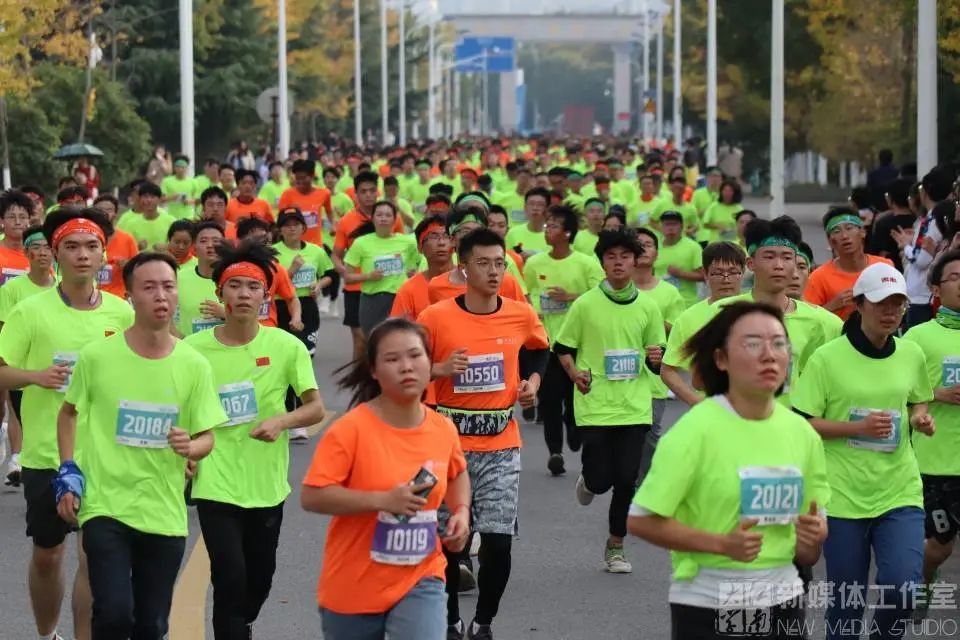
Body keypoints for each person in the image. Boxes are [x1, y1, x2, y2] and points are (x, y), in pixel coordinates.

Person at [629, 301, 830, 640]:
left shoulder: (803, 434)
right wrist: (721, 544)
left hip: (783, 599)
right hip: (709, 602)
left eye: (779, 343)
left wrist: (812, 539)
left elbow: (806, 550)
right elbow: (641, 519)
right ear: (721, 359)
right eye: (753, 344)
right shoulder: (695, 431)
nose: (769, 355)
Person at [54, 251, 224, 639]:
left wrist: (190, 446)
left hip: (163, 511)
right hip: (105, 506)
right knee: (113, 613)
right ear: (130, 296)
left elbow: (209, 437)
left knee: (152, 624)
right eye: (149, 288)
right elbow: (68, 413)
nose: (161, 296)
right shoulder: (98, 357)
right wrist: (68, 470)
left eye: (168, 286)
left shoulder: (194, 364)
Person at [0, 208, 135, 640]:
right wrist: (36, 377)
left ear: (103, 256)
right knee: (48, 555)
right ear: (54, 254)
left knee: (95, 555)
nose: (82, 255)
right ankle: (46, 633)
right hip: (47, 454)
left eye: (91, 246)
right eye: (71, 247)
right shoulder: (31, 312)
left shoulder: (121, 313)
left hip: (105, 452)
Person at [187, 240, 326, 639]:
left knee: (259, 579)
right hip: (215, 480)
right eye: (234, 286)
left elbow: (315, 408)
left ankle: (241, 624)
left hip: (266, 483)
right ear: (220, 293)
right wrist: (187, 451)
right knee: (229, 577)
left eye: (252, 287)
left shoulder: (285, 346)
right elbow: (177, 407)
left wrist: (282, 421)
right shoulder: (193, 350)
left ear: (266, 295)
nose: (243, 294)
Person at [301, 318, 470, 640]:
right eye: (393, 359)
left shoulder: (442, 428)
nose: (406, 367)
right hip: (354, 585)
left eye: (415, 356)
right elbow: (312, 495)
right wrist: (382, 500)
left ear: (430, 363)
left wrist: (461, 512)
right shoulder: (350, 430)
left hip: (422, 576)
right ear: (374, 371)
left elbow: (457, 471)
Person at [417, 229, 549, 640]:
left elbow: (539, 348)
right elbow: (402, 367)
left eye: (499, 263)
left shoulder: (519, 313)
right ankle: (451, 618)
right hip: (447, 446)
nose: (493, 272)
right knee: (450, 541)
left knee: (499, 542)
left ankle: (484, 622)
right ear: (463, 267)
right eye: (484, 263)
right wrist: (436, 371)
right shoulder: (435, 317)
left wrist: (532, 382)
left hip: (500, 443)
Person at [792, 262, 935, 639]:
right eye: (881, 303)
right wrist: (856, 428)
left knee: (903, 587)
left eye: (899, 304)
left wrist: (920, 418)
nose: (891, 312)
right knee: (846, 602)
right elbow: (803, 422)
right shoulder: (827, 358)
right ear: (859, 305)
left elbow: (919, 400)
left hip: (898, 489)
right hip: (841, 494)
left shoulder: (911, 354)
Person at [553, 230, 666, 573]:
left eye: (625, 257)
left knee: (626, 478)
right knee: (601, 480)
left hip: (634, 404)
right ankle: (589, 481)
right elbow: (563, 348)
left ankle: (616, 546)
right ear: (602, 262)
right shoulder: (585, 304)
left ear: (636, 261)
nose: (619, 263)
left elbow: (656, 357)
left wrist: (657, 357)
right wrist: (574, 374)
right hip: (595, 403)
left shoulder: (648, 306)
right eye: (612, 257)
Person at [523, 205, 604, 476]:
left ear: (567, 233)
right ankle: (554, 452)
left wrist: (570, 297)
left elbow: (600, 296)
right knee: (548, 399)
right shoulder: (534, 264)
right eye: (546, 225)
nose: (547, 230)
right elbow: (528, 296)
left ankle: (573, 426)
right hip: (545, 342)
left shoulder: (587, 263)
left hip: (578, 345)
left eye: (554, 226)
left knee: (573, 399)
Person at [901, 250, 960, 616]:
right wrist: (936, 394)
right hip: (936, 458)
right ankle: (923, 576)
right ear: (935, 288)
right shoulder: (918, 337)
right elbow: (894, 393)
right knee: (940, 544)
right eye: (954, 276)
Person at [0, 225, 55, 487]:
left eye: (47, 247)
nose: (43, 253)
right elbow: (3, 328)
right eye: (36, 248)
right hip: (23, 369)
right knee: (22, 416)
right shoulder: (13, 289)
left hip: (56, 370)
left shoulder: (61, 287)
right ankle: (22, 460)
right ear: (26, 253)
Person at [661, 242, 747, 405]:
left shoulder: (759, 310)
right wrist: (696, 403)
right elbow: (667, 371)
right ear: (706, 275)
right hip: (713, 408)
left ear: (742, 273)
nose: (726, 279)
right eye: (718, 273)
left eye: (733, 272)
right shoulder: (688, 318)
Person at [632, 228, 686, 480]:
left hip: (654, 375)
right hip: (620, 376)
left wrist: (652, 320)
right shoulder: (615, 290)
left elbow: (678, 331)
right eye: (637, 244)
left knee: (650, 434)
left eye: (648, 244)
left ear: (656, 253)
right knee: (622, 435)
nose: (643, 248)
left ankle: (639, 490)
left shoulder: (669, 293)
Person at [333, 171, 404, 363]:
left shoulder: (390, 217)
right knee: (361, 339)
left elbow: (402, 247)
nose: (368, 195)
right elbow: (336, 255)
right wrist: (345, 272)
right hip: (356, 289)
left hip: (388, 289)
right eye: (363, 191)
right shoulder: (346, 221)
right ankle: (360, 379)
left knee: (387, 339)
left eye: (372, 191)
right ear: (356, 194)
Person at [344, 201, 418, 338]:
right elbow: (348, 277)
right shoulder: (361, 243)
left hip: (400, 298)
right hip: (372, 301)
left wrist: (415, 273)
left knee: (401, 341)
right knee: (374, 343)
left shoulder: (409, 242)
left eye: (388, 215)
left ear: (395, 220)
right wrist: (368, 276)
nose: (383, 218)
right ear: (372, 218)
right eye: (379, 215)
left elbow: (422, 264)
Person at [803, 207, 892, 320]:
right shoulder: (818, 277)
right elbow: (807, 319)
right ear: (830, 242)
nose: (844, 236)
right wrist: (833, 305)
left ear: (863, 232)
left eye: (849, 228)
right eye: (836, 231)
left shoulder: (885, 267)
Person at [893, 168, 953, 328]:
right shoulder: (937, 217)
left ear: (925, 192)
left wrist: (906, 246)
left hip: (921, 295)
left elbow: (922, 259)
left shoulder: (932, 220)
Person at [235, 218, 302, 334]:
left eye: (265, 237)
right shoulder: (231, 267)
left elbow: (291, 298)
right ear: (241, 241)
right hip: (238, 332)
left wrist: (296, 318)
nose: (263, 242)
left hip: (268, 332)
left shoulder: (275, 268)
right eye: (257, 238)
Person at [389, 216, 454, 321]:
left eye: (446, 236)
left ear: (454, 243)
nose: (441, 242)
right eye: (433, 237)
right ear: (420, 247)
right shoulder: (409, 290)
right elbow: (398, 329)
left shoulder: (469, 281)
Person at [174, 220, 227, 337]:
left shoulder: (235, 280)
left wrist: (226, 314)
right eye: (203, 241)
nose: (210, 245)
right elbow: (166, 320)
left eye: (216, 241)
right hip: (188, 350)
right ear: (194, 247)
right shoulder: (177, 279)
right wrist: (185, 344)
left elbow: (250, 321)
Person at [653, 210, 704, 308]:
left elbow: (703, 276)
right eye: (667, 224)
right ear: (661, 227)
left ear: (681, 227)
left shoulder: (693, 247)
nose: (670, 228)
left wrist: (681, 274)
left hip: (685, 303)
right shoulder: (654, 247)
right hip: (658, 303)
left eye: (674, 224)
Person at [867, 177, 916, 272]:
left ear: (890, 199)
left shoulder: (883, 223)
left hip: (891, 273)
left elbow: (876, 253)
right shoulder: (919, 221)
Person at [118, 182, 177, 252]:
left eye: (153, 197)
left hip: (164, 261)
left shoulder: (171, 221)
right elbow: (123, 248)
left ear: (160, 199)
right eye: (145, 196)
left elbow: (180, 245)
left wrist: (167, 247)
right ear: (140, 199)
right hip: (140, 262)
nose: (149, 200)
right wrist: (137, 247)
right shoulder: (131, 224)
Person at [504, 187, 550, 260]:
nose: (535, 208)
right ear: (525, 207)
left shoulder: (554, 235)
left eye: (540, 204)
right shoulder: (513, 233)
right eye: (531, 204)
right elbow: (507, 260)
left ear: (547, 209)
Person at [702, 179, 744, 244]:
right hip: (715, 244)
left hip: (733, 244)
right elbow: (705, 224)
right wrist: (717, 226)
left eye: (730, 191)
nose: (727, 193)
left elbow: (743, 226)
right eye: (725, 190)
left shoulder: (739, 208)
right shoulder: (714, 206)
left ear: (735, 193)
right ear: (721, 192)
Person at [160, 154, 197, 220]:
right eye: (178, 167)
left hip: (189, 217)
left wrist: (189, 201)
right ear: (174, 168)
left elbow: (198, 200)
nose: (180, 169)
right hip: (171, 217)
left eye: (183, 167)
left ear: (187, 168)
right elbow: (161, 199)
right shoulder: (166, 181)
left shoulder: (193, 182)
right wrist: (171, 197)